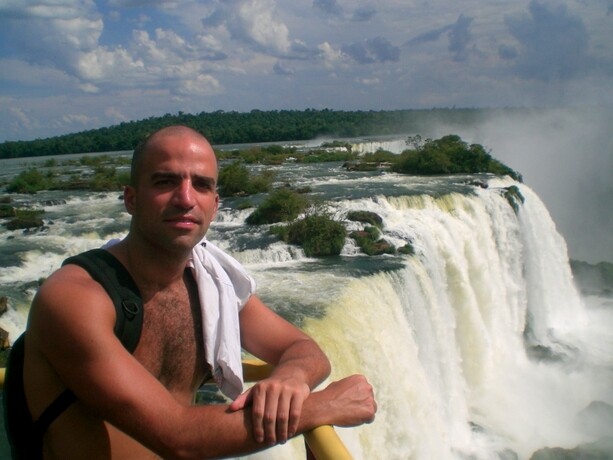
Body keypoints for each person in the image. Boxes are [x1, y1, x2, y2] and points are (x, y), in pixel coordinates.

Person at [7, 125, 376, 459]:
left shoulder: (209, 283)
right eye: (165, 181)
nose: (185, 198)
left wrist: (290, 378)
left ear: (215, 205)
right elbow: (179, 437)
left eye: (201, 185)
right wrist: (321, 406)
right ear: (131, 199)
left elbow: (304, 350)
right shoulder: (77, 298)